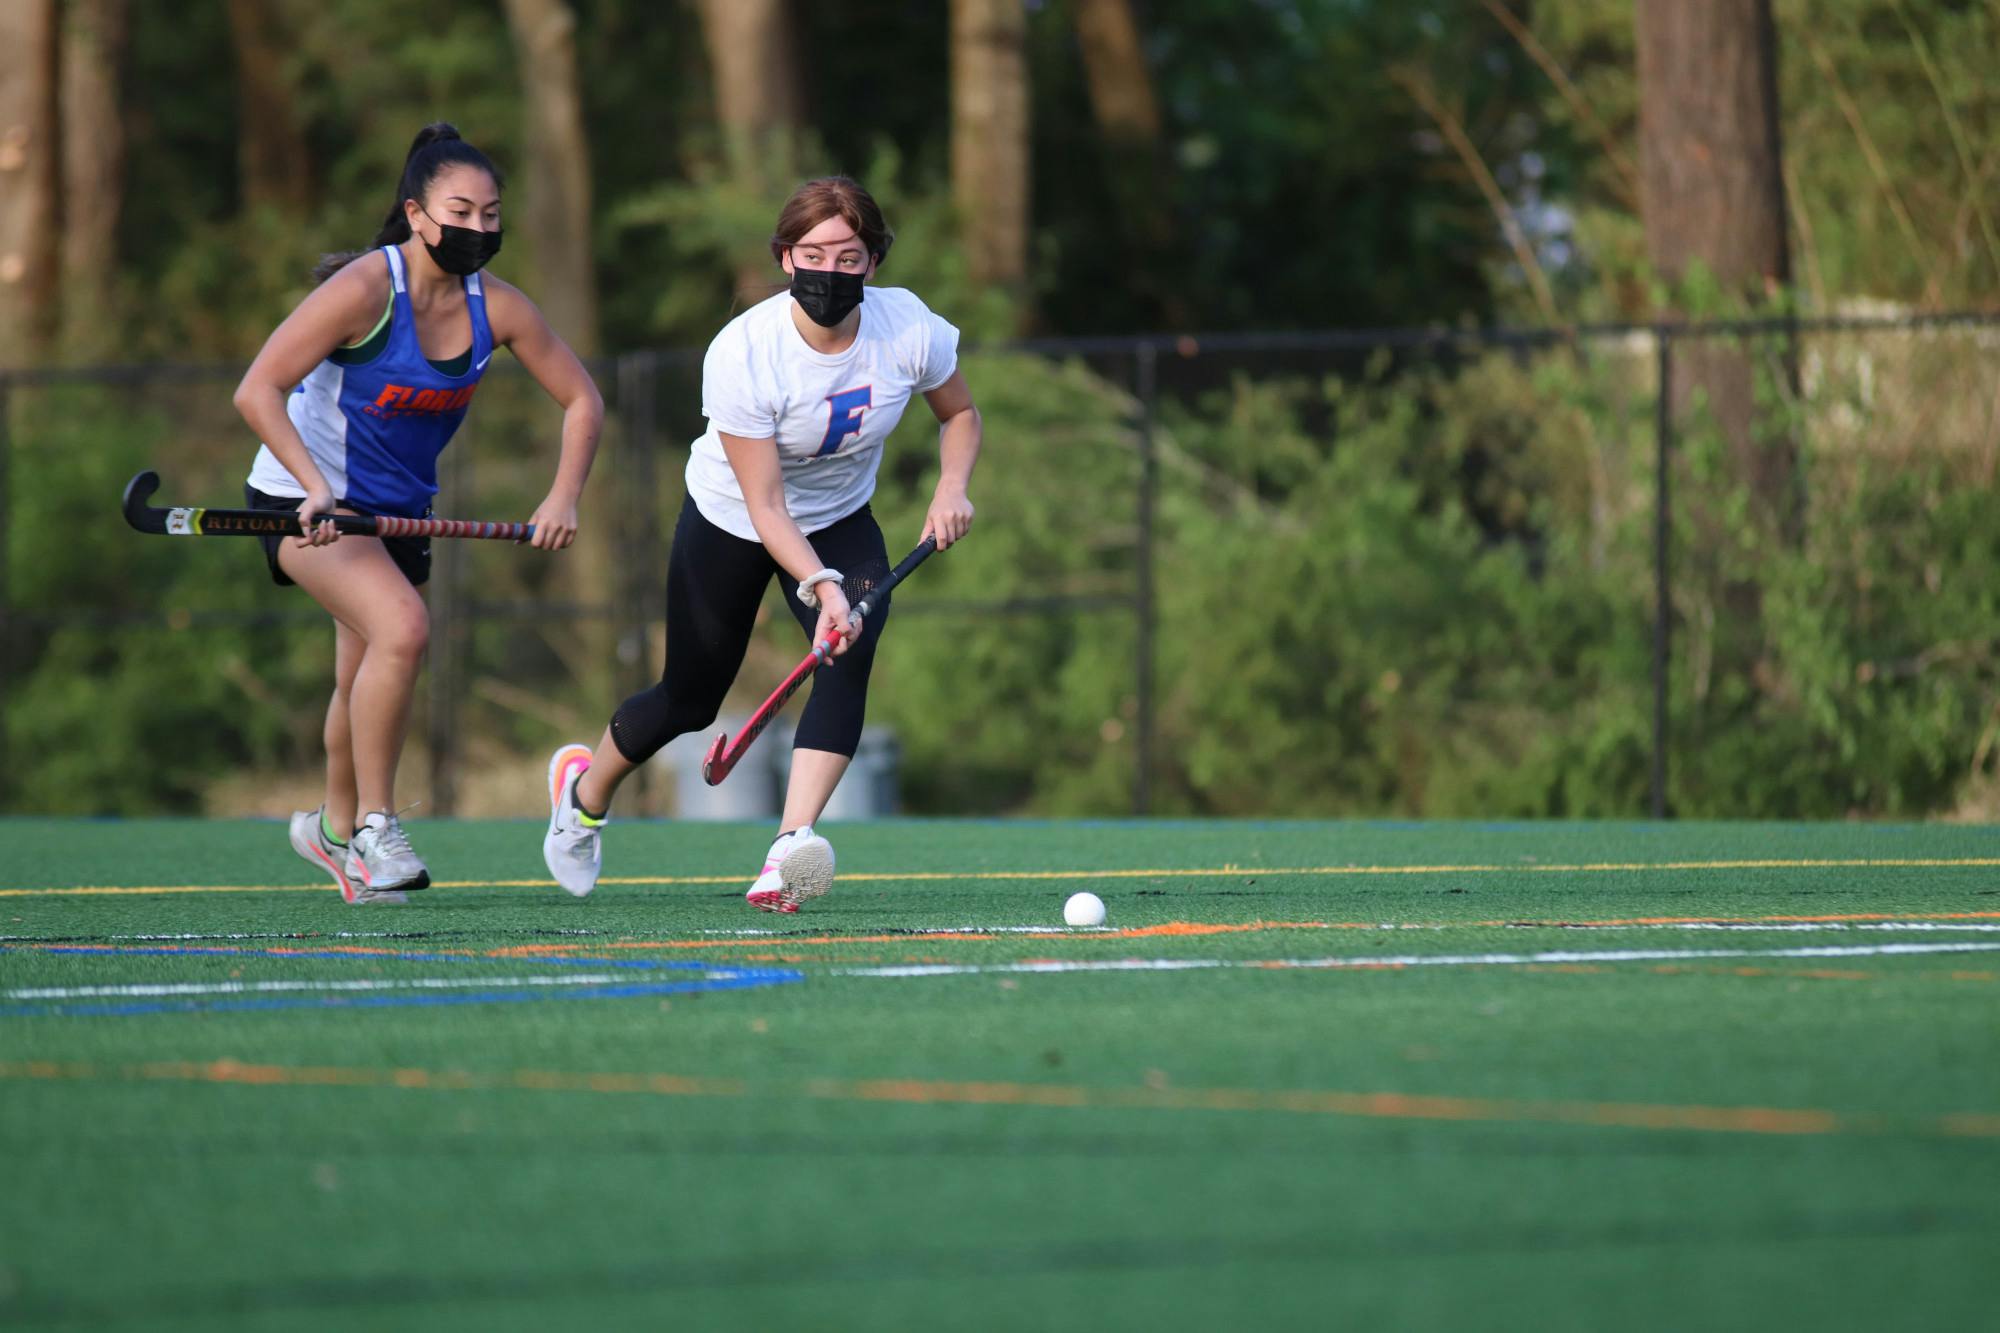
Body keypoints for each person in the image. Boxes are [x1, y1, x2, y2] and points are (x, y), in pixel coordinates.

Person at [542, 175, 981, 911]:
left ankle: (787, 849)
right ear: (784, 259)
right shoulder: (745, 352)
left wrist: (951, 487)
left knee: (849, 653)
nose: (831, 272)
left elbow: (960, 413)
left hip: (841, 513)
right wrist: (825, 585)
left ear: (874, 262)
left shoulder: (908, 329)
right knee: (689, 696)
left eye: (849, 257)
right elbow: (767, 504)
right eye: (813, 254)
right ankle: (584, 793)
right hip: (734, 519)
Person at [234, 122, 602, 904]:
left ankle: (331, 832)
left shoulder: (496, 307)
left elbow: (582, 400)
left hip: (397, 515)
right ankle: (375, 825)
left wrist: (562, 494)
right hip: (304, 501)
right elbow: (257, 389)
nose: (478, 228)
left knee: (362, 672)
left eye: (492, 214)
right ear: (416, 214)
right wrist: (311, 485)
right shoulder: (367, 289)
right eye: (460, 211)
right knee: (402, 630)